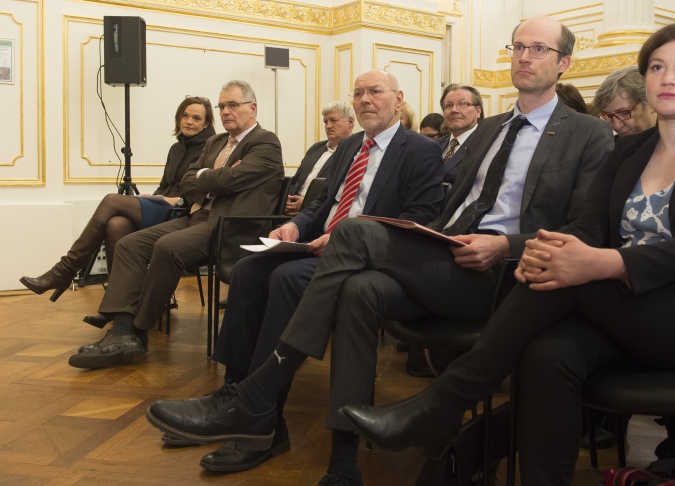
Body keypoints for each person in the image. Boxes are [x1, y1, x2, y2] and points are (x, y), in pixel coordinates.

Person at [145, 16, 614, 486]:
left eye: (539, 50)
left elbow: (584, 228)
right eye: (517, 47)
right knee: (357, 290)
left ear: (564, 63)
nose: (524, 57)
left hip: (506, 274)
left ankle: (257, 397)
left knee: (350, 234)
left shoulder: (587, 133)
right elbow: (441, 210)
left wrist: (504, 245)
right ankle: (342, 462)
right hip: (443, 257)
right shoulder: (489, 130)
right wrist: (307, 227)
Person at [339, 21, 675, 486]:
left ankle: (443, 403)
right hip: (632, 306)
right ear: (645, 78)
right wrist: (556, 249)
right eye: (658, 67)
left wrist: (598, 261)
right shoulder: (630, 150)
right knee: (548, 353)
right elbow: (588, 223)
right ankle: (456, 419)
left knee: (565, 280)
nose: (668, 78)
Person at [192, 69, 444, 476]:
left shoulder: (420, 151)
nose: (365, 100)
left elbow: (419, 221)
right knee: (250, 269)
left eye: (375, 92)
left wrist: (352, 234)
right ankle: (233, 395)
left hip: (369, 256)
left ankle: (264, 420)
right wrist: (296, 225)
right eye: (358, 92)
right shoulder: (348, 148)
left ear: (398, 100)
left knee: (285, 278)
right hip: (320, 246)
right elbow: (322, 205)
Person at [67, 80, 284, 370]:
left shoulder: (265, 142)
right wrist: (214, 178)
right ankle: (121, 329)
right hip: (196, 218)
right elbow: (188, 182)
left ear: (252, 107)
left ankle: (137, 332)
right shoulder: (215, 142)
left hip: (231, 228)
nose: (225, 111)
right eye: (222, 106)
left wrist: (209, 177)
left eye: (233, 105)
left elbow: (229, 180)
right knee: (131, 244)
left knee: (167, 247)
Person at [19, 96, 216, 302]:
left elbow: (201, 190)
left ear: (206, 123)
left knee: (111, 200)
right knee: (116, 224)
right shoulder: (176, 148)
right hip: (163, 206)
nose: (189, 122)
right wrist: (156, 196)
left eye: (196, 118)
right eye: (185, 116)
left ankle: (65, 270)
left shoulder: (209, 148)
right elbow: (165, 183)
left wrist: (178, 200)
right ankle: (118, 301)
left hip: (181, 214)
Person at [284, 101, 355, 216]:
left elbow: (341, 192)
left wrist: (306, 203)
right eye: (325, 122)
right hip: (290, 211)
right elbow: (296, 180)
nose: (328, 126)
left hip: (319, 214)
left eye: (333, 120)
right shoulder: (316, 148)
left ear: (350, 122)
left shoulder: (354, 152)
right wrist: (286, 199)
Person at [437, 83, 485, 184]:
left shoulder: (485, 145)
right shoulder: (436, 145)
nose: (454, 110)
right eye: (449, 105)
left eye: (462, 104)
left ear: (478, 111)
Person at [594, 65, 658, 139]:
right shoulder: (612, 146)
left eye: (624, 113)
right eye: (609, 116)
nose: (616, 126)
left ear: (651, 104)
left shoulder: (670, 144)